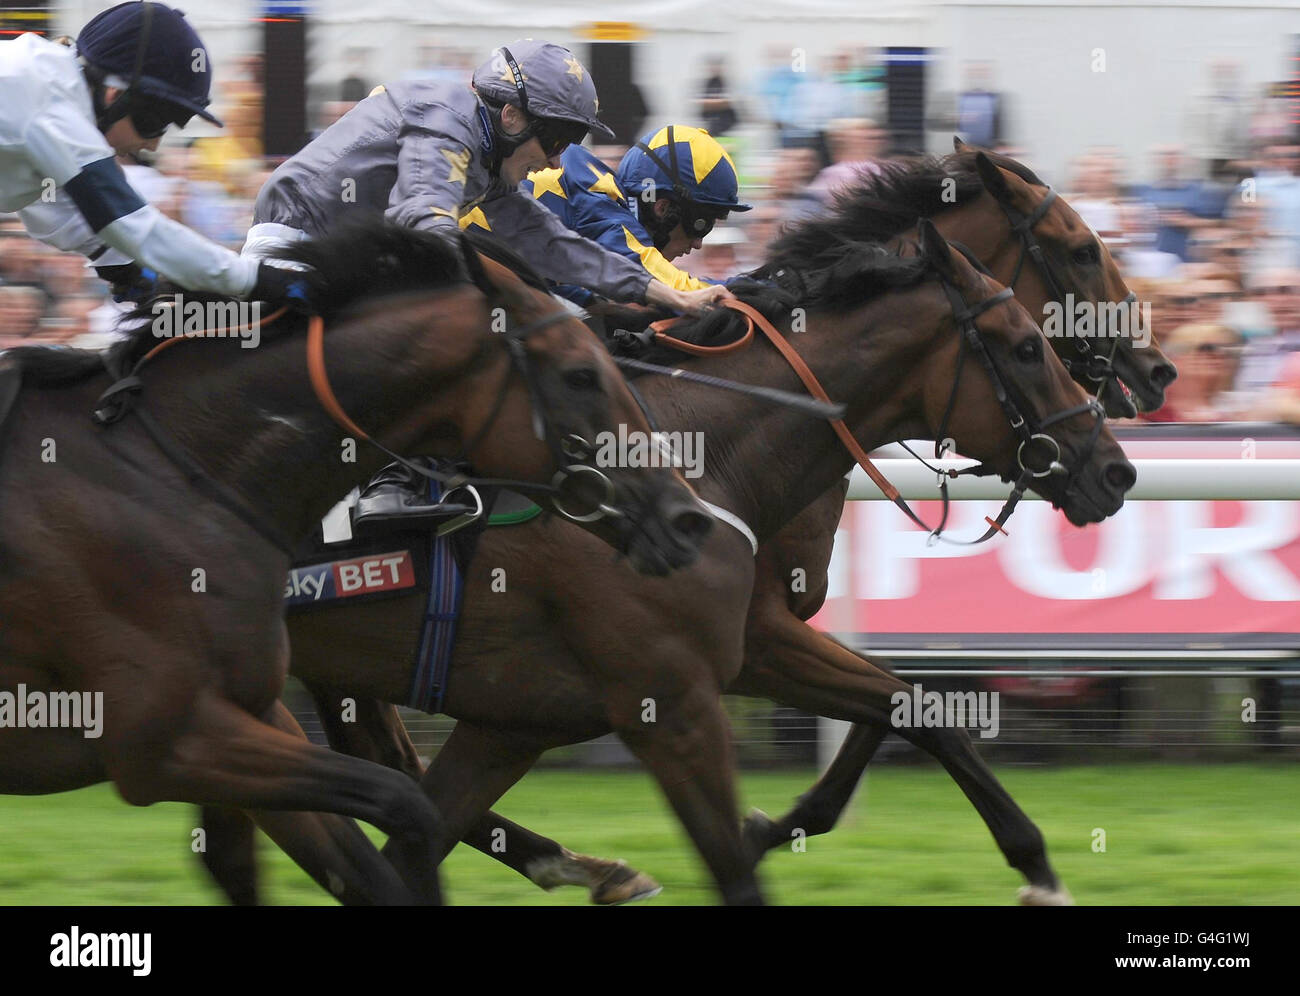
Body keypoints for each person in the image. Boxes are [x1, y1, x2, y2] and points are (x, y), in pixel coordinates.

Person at [245, 42, 732, 527]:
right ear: (512, 117)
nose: (558, 163)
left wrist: (665, 294)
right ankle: (390, 482)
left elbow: (554, 244)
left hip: (342, 263)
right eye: (557, 142)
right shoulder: (445, 114)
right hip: (298, 256)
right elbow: (422, 219)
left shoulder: (486, 156)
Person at [0, 2, 306, 309]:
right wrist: (261, 281)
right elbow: (135, 227)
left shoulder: (44, 83)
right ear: (115, 95)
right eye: (157, 122)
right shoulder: (49, 104)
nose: (154, 145)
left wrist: (115, 261)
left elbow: (45, 201)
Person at [509, 123, 752, 311]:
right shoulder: (597, 197)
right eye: (701, 224)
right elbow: (655, 281)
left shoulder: (599, 201)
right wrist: (755, 294)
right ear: (663, 208)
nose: (698, 243)